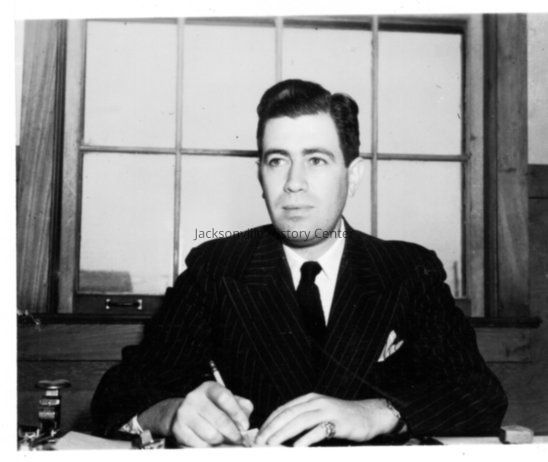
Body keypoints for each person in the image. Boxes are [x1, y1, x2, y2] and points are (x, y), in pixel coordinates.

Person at [91, 79, 507, 447]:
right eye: (277, 160)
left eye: (316, 160)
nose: (293, 182)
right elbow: (116, 395)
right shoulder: (215, 271)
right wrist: (171, 414)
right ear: (260, 175)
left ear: (353, 176)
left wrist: (374, 413)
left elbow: (480, 394)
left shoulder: (408, 270)